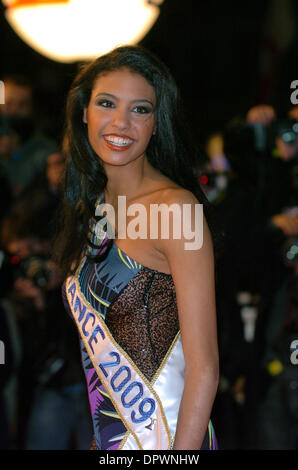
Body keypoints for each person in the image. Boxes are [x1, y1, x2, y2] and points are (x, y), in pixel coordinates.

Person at [54, 45, 219, 451]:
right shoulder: (93, 210)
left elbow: (206, 368)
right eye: (107, 103)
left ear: (157, 123)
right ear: (84, 112)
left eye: (141, 109)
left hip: (171, 438)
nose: (121, 122)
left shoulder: (175, 209)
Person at [0, 75, 56, 197]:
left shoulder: (44, 150)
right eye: (8, 103)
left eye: (22, 105)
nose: (14, 110)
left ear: (32, 108)